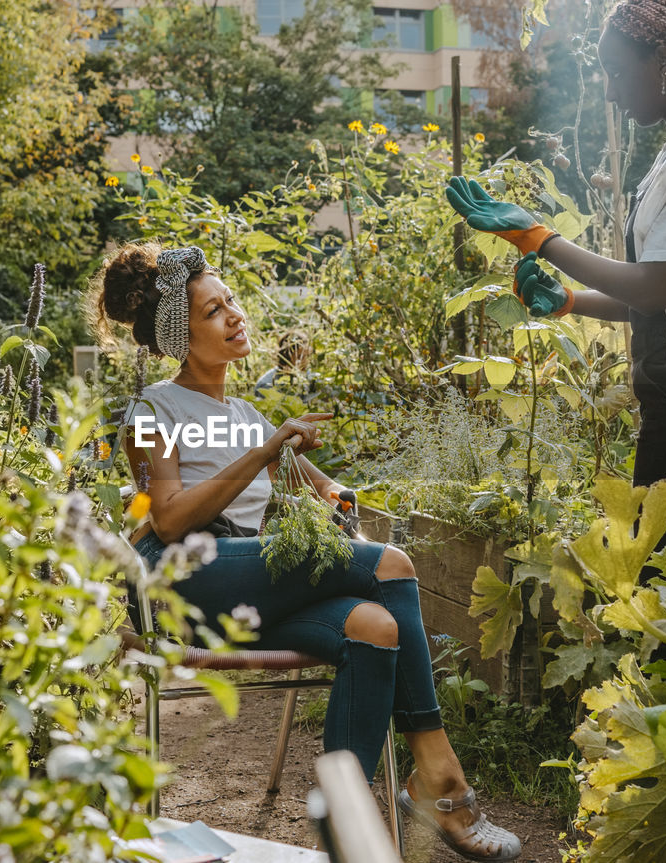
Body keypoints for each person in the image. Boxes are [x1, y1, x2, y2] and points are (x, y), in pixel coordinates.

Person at [93, 242, 520, 863]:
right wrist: (268, 453)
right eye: (214, 310)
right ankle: (440, 779)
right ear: (180, 336)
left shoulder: (244, 412)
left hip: (252, 584)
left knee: (374, 627)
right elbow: (170, 515)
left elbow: (306, 480)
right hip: (185, 581)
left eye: (231, 300)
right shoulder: (152, 409)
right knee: (392, 564)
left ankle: (344, 836)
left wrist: (329, 490)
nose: (235, 314)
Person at [445, 0, 666, 554]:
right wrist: (569, 301)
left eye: (617, 70)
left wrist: (539, 238)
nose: (610, 90)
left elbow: (654, 288)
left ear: (665, 60)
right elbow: (665, 300)